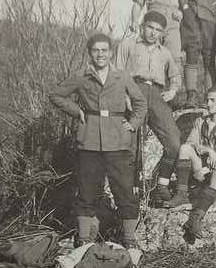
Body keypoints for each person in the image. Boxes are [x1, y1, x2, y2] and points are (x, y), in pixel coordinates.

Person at [48, 32, 146, 252]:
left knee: (124, 191)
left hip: (118, 142)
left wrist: (133, 124)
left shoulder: (122, 76)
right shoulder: (81, 76)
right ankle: (83, 239)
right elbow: (56, 95)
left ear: (111, 53)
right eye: (96, 50)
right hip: (90, 140)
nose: (100, 54)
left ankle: (129, 239)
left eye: (104, 50)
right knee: (87, 191)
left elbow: (140, 102)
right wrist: (76, 111)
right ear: (90, 53)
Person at [116, 10, 182, 204]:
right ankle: (129, 190)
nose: (153, 33)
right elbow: (117, 73)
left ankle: (162, 184)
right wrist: (124, 95)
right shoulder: (128, 45)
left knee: (174, 141)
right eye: (150, 28)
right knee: (131, 144)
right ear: (143, 26)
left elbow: (175, 77)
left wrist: (172, 91)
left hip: (157, 94)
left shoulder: (165, 53)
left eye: (158, 30)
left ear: (162, 33)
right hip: (134, 90)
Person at [165, 87, 216, 242]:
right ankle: (181, 194)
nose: (208, 103)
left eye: (213, 100)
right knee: (184, 148)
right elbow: (191, 143)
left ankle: (196, 218)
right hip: (202, 165)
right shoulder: (200, 122)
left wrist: (206, 170)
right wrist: (208, 151)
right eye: (207, 99)